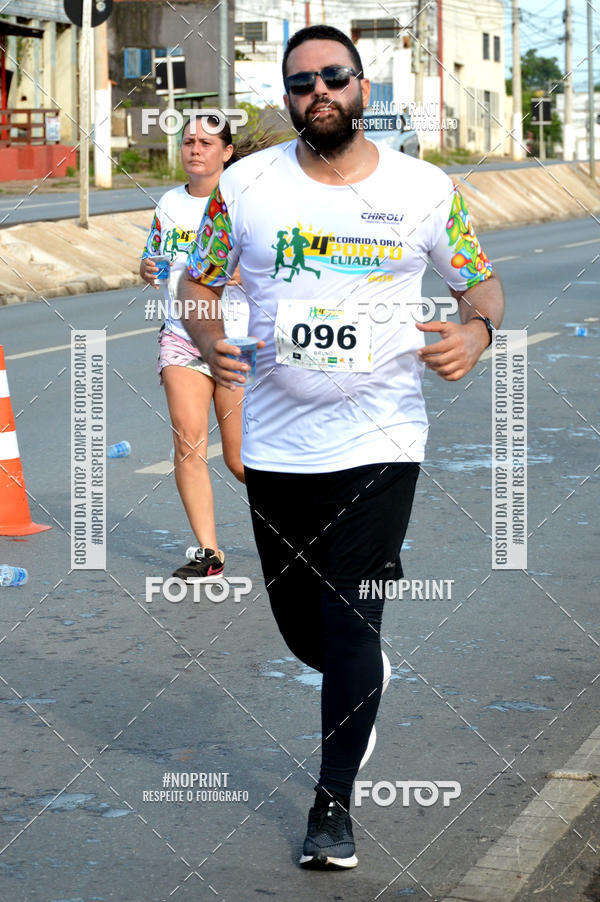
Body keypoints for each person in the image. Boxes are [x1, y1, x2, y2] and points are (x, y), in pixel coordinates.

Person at [179, 25, 505, 869]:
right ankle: (356, 672)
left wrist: (478, 331)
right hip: (280, 446)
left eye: (333, 76)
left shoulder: (425, 190)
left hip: (383, 438)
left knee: (352, 615)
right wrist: (206, 329)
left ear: (361, 85)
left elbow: (481, 281)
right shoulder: (247, 185)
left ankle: (332, 808)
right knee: (303, 630)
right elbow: (197, 281)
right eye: (300, 83)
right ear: (286, 98)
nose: (317, 91)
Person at [140, 115, 256, 582]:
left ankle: (303, 529)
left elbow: (278, 262)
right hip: (181, 336)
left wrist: (242, 275)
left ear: (226, 152)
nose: (195, 150)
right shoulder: (168, 202)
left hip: (236, 337)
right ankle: (210, 554)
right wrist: (148, 267)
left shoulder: (245, 201)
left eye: (207, 143)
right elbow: (153, 256)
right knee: (188, 442)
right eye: (188, 141)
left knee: (239, 458)